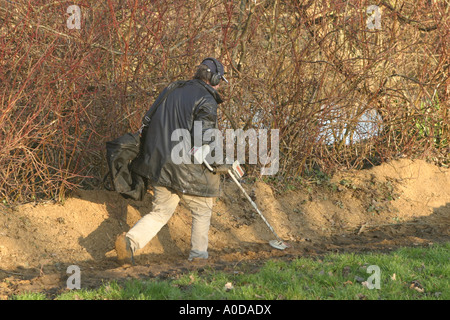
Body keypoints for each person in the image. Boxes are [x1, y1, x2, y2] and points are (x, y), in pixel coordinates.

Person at [115, 57, 228, 265]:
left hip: (159, 165)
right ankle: (199, 258)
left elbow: (147, 121)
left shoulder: (172, 88)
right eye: (220, 79)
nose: (220, 84)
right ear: (213, 78)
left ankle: (130, 241)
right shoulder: (207, 100)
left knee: (160, 212)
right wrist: (222, 162)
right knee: (203, 209)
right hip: (185, 168)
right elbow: (204, 138)